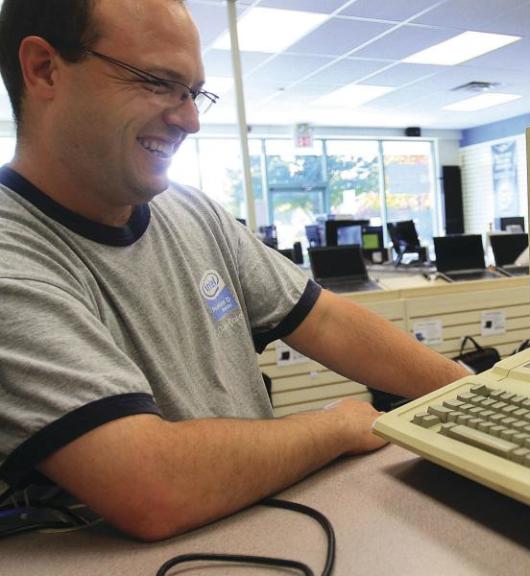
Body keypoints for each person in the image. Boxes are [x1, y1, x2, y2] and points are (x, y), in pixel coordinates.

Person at [0, 0, 469, 541]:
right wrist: (336, 426)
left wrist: (472, 394)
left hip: (272, 534)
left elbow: (328, 321)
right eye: (157, 82)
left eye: (194, 92)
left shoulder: (191, 212)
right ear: (44, 69)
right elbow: (151, 487)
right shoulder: (15, 254)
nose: (190, 120)